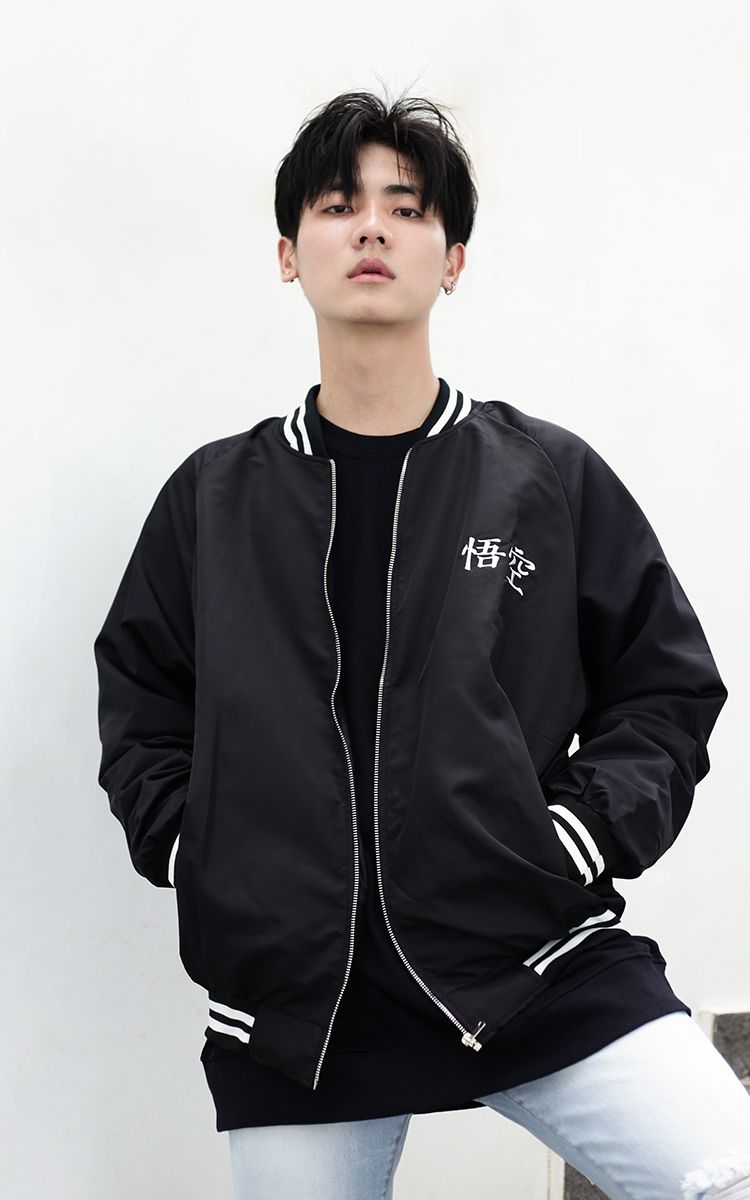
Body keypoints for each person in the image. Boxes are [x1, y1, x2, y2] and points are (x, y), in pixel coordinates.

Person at [93, 86, 750, 1199]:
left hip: (533, 959)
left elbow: (664, 689)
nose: (373, 229)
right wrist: (196, 845)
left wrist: (574, 836)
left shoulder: (543, 478)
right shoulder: (212, 498)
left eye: (407, 208)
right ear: (288, 254)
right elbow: (144, 703)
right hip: (300, 1012)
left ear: (452, 261)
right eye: (338, 205)